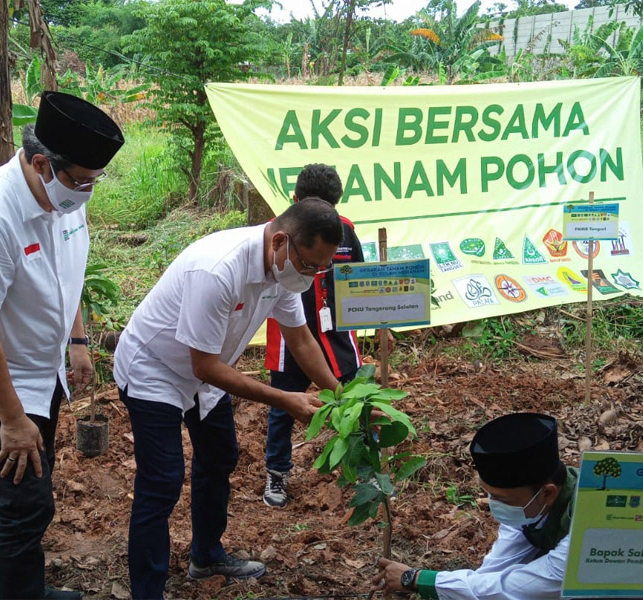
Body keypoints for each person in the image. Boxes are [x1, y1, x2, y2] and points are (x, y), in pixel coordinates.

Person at [112, 198, 344, 600]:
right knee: (162, 481)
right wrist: (285, 399)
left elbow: (302, 340)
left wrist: (343, 400)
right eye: (309, 265)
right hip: (155, 370)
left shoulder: (285, 273)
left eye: (320, 268)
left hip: (208, 371)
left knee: (219, 456)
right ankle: (147, 591)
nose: (311, 275)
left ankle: (206, 555)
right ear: (280, 242)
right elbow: (203, 366)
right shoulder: (219, 270)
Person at [0, 91, 124, 600]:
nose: (87, 192)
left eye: (93, 182)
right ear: (41, 163)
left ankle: (23, 587)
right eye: (81, 180)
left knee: (26, 495)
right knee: (27, 501)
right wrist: (12, 420)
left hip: (42, 372)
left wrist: (77, 341)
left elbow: (65, 275)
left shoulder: (65, 197)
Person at [372, 412, 577, 600]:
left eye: (504, 500)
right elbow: (492, 574)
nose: (493, 504)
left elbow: (519, 588)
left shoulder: (590, 525)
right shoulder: (528, 507)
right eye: (490, 494)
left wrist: (417, 579)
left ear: (548, 493)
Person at [262, 163, 364, 508]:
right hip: (291, 335)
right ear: (294, 203)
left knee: (353, 399)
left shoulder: (347, 232)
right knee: (283, 407)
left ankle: (362, 468)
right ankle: (277, 474)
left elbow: (361, 281)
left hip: (336, 335)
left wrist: (384, 325)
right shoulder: (278, 234)